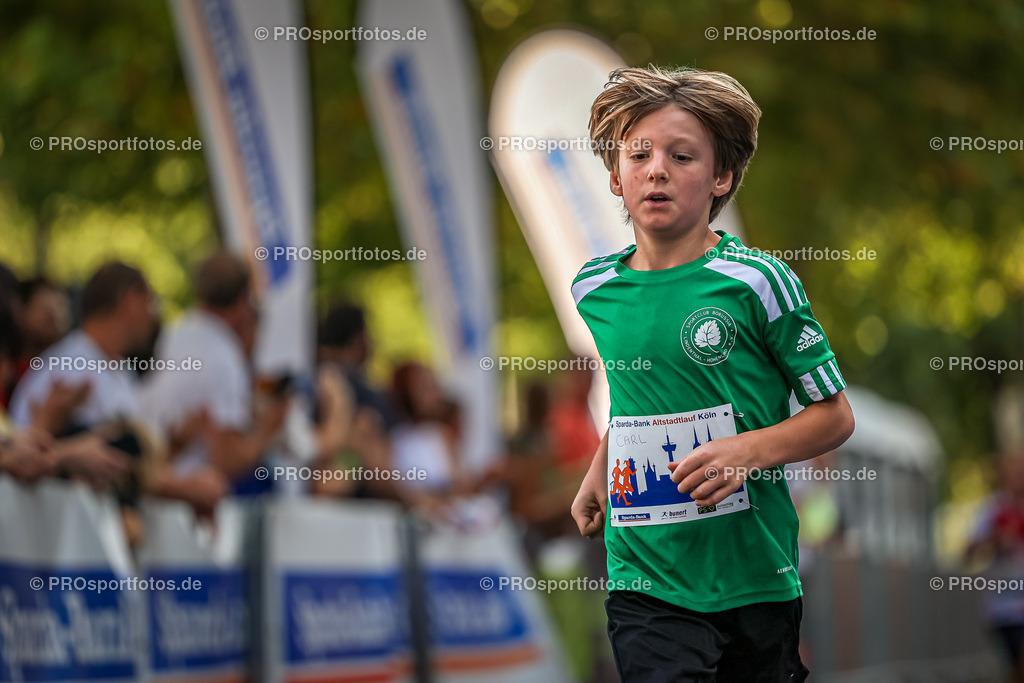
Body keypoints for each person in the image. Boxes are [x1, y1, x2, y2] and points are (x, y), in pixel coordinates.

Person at [570, 66, 855, 682]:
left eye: (682, 155)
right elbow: (638, 401)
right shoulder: (594, 287)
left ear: (721, 176)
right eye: (638, 154)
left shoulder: (757, 282)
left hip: (754, 573)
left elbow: (834, 415)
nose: (657, 169)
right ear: (616, 177)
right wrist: (599, 469)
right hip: (646, 574)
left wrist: (746, 452)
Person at [139, 251, 286, 498]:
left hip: (154, 485)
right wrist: (268, 431)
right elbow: (227, 460)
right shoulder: (223, 357)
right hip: (188, 498)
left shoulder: (175, 333)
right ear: (243, 301)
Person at [966, 452, 1024, 683]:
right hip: (1005, 607)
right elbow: (967, 552)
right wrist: (994, 540)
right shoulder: (993, 509)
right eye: (1011, 473)